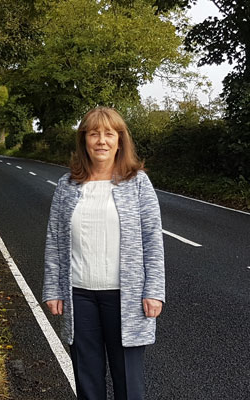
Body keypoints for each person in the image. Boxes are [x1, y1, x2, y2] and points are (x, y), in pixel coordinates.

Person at [42, 107, 165, 400]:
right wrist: (52, 289)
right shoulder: (67, 185)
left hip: (127, 296)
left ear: (120, 141)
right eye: (94, 133)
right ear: (84, 140)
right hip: (79, 295)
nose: (101, 140)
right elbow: (55, 240)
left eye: (109, 134)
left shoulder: (137, 183)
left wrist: (154, 290)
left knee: (128, 384)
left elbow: (152, 239)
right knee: (87, 382)